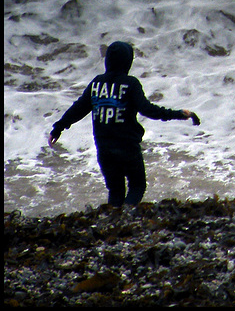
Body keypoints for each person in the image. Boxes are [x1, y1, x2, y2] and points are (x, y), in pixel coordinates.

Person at [48, 41, 200, 207]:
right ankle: (126, 214)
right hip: (127, 146)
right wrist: (178, 114)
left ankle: (115, 219)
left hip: (104, 147)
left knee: (115, 190)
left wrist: (58, 128)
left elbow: (78, 109)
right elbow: (148, 109)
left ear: (108, 61)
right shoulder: (131, 84)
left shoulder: (97, 83)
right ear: (128, 61)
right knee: (138, 185)